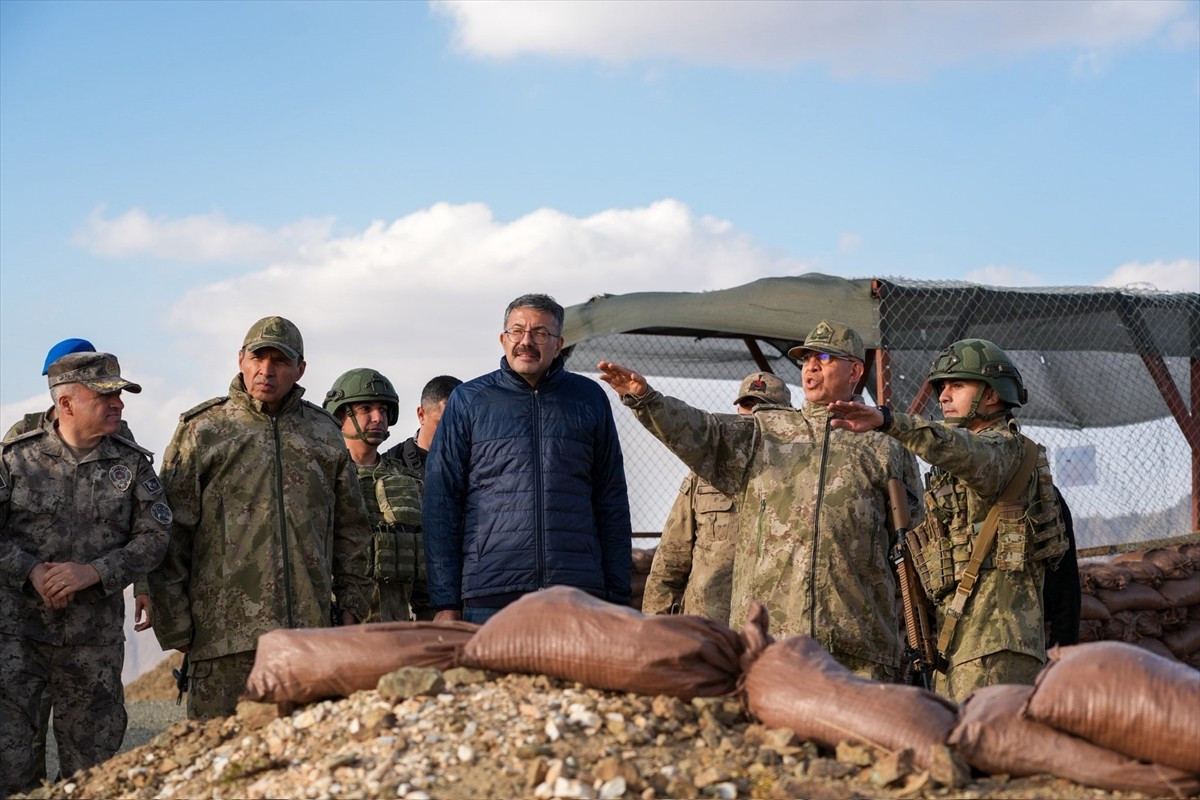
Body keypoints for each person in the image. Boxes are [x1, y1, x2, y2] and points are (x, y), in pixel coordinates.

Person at [599, 319, 922, 681]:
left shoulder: (886, 446)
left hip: (857, 646)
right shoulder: (766, 434)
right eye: (806, 359)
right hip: (771, 642)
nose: (811, 367)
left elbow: (913, 545)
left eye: (826, 358)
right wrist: (646, 400)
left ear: (855, 370)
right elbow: (702, 429)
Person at [147, 316, 373, 720]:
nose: (266, 370)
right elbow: (171, 532)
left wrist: (352, 604)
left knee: (305, 761)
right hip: (223, 641)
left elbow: (351, 528)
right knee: (218, 760)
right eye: (257, 358)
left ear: (300, 369)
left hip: (308, 636)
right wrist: (178, 626)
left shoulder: (324, 433)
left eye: (280, 361)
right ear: (240, 360)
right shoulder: (204, 430)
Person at [829, 338, 1069, 701]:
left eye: (957, 385)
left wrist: (890, 421)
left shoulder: (1005, 450)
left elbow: (961, 449)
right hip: (960, 644)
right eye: (942, 387)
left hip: (997, 644)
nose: (943, 396)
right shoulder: (959, 467)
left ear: (992, 395)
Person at [0, 353, 170, 795]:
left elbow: (155, 537)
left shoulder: (132, 466)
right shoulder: (15, 460)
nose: (118, 404)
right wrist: (31, 570)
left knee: (91, 779)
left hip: (92, 647)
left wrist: (93, 572)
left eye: (119, 394)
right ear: (67, 402)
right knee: (9, 770)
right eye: (105, 394)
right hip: (16, 642)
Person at [424, 293, 633, 624]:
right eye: (516, 331)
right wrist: (445, 601)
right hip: (490, 589)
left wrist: (619, 596)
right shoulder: (470, 401)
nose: (526, 341)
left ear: (558, 343)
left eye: (540, 333)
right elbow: (441, 503)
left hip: (577, 589)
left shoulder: (589, 399)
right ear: (502, 339)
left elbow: (611, 501)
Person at [642, 371, 792, 623]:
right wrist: (655, 626)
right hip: (708, 624)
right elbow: (671, 557)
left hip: (771, 628)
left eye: (764, 409)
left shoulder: (797, 478)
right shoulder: (703, 474)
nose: (753, 414)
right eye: (748, 405)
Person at [324, 368, 430, 622]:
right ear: (340, 415)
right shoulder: (321, 478)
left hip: (396, 626)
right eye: (366, 409)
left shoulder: (409, 481)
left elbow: (423, 563)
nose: (377, 417)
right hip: (337, 627)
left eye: (383, 410)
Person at [384, 375, 463, 476]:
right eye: (443, 424)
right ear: (421, 415)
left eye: (462, 424)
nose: (454, 431)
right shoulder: (389, 466)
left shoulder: (477, 462)